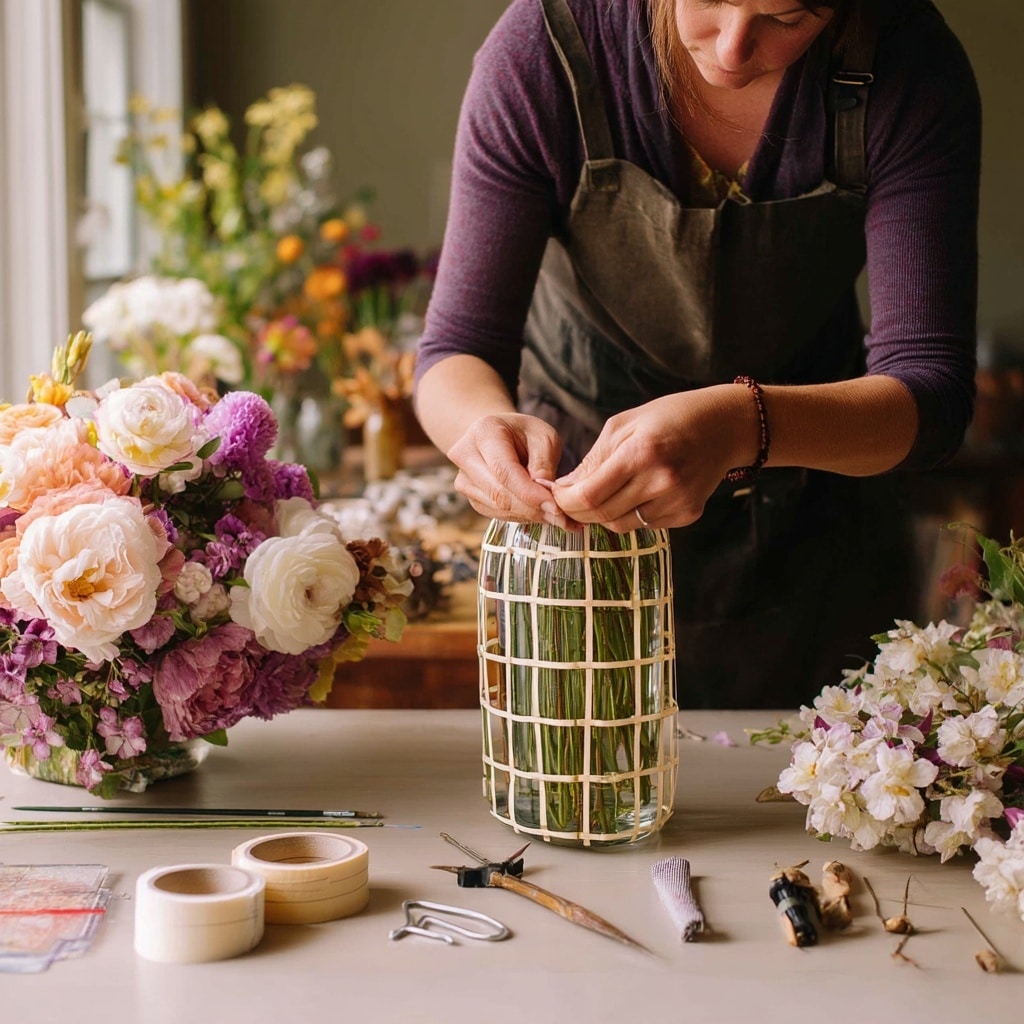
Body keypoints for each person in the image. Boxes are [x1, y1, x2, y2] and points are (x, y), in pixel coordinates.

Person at [413, 0, 981, 708]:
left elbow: (931, 395)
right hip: (584, 548)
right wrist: (479, 430)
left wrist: (743, 424)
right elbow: (454, 351)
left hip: (816, 537)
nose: (735, 49)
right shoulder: (547, 51)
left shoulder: (908, 65)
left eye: (790, 15)